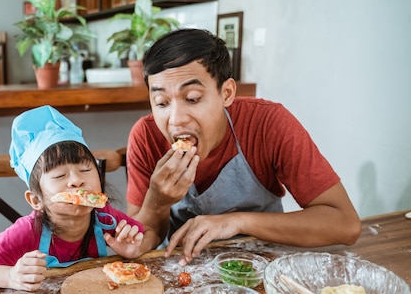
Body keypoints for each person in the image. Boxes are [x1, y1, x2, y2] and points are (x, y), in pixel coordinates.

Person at [125, 28, 361, 266]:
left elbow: (345, 224)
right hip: (181, 268)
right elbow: (142, 237)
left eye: (193, 98)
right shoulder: (145, 136)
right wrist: (157, 200)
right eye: (161, 103)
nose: (176, 119)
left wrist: (237, 221)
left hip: (264, 265)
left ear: (226, 93)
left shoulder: (268, 123)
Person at [0, 105, 159, 291]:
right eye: (60, 175)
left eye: (86, 169)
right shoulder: (28, 231)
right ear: (36, 200)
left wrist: (136, 248)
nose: (77, 181)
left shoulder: (106, 220)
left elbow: (152, 234)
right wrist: (10, 276)